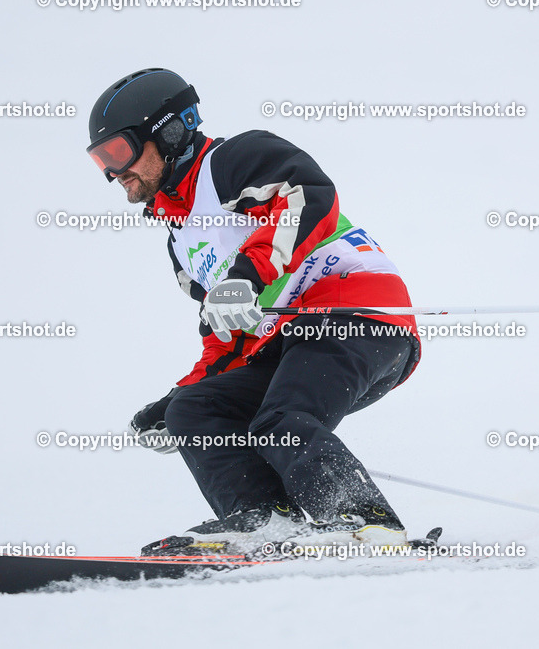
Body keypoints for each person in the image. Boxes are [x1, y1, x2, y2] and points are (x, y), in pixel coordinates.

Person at [86, 68, 422, 554]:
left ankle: (363, 519)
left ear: (168, 132)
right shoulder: (182, 244)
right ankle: (264, 519)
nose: (114, 173)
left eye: (119, 152)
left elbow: (306, 195)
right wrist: (181, 394)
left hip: (357, 317)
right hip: (289, 342)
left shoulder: (232, 161)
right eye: (101, 161)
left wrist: (247, 276)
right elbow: (229, 335)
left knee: (281, 418)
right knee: (197, 411)